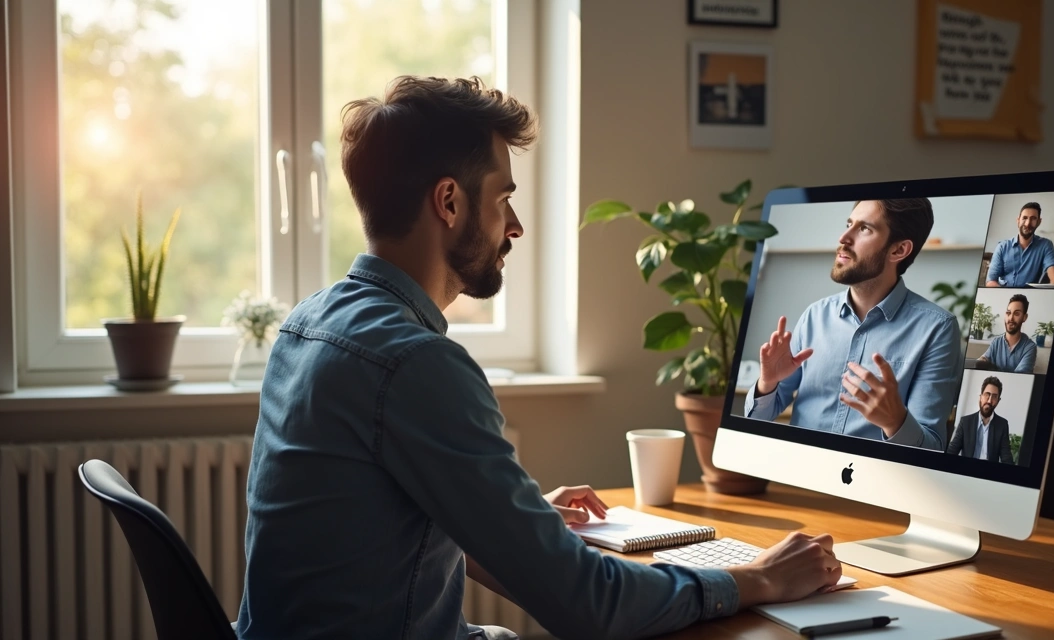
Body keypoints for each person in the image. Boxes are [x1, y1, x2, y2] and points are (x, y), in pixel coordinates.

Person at [236, 76, 842, 640]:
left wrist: (513, 520)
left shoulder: (310, 322)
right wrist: (760, 578)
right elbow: (587, 605)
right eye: (503, 199)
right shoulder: (416, 363)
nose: (516, 226)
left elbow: (368, 522)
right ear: (448, 202)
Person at [744, 199, 962, 452]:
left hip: (878, 486)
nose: (844, 237)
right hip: (801, 475)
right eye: (849, 224)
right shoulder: (814, 316)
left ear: (899, 250)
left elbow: (932, 448)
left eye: (864, 229)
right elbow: (757, 420)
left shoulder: (937, 329)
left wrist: (895, 421)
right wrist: (766, 384)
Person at [985, 202, 1054, 287]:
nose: (1027, 223)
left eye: (1033, 219)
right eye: (1024, 218)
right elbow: (991, 281)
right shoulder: (1002, 247)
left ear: (1039, 222)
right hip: (1003, 294)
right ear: (1018, 220)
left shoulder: (1045, 245)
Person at [947, 376, 1015, 464]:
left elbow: (1006, 457)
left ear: (998, 400)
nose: (990, 401)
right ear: (981, 396)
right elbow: (952, 451)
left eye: (994, 397)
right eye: (987, 394)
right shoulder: (966, 422)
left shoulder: (1002, 425)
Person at [976, 294, 1036, 374]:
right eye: (1008, 313)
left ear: (1024, 317)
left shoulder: (1030, 347)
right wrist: (981, 361)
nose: (1011, 318)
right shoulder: (996, 342)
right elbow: (984, 359)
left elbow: (1019, 377)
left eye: (1016, 314)